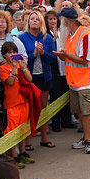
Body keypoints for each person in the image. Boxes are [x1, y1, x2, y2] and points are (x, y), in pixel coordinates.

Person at [55, 8, 90, 153]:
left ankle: (89, 140)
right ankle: (86, 137)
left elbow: (84, 60)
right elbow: (71, 57)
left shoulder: (85, 35)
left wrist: (65, 55)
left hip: (86, 81)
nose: (60, 23)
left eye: (61, 20)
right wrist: (63, 56)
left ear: (66, 21)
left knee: (86, 112)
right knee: (79, 111)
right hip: (75, 81)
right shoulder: (70, 35)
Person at [17, 11, 56, 148]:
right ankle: (28, 140)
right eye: (32, 19)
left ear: (41, 22)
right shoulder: (21, 37)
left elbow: (54, 58)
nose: (34, 21)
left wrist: (43, 53)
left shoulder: (47, 37)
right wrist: (32, 55)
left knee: (43, 107)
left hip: (44, 77)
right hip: (28, 78)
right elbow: (17, 57)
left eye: (37, 19)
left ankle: (44, 137)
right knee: (29, 108)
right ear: (28, 22)